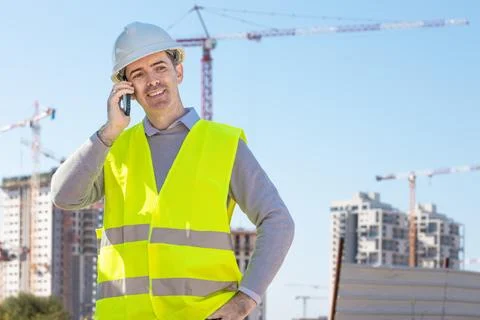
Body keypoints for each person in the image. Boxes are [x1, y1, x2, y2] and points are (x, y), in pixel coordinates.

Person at [51, 21, 294, 320]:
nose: (151, 80)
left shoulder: (224, 144)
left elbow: (278, 221)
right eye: (138, 74)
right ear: (127, 91)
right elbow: (63, 196)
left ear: (178, 72)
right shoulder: (114, 148)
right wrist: (109, 132)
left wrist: (246, 299)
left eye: (159, 67)